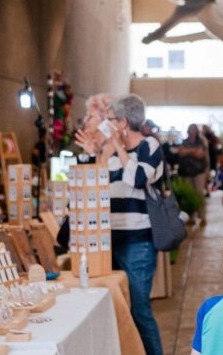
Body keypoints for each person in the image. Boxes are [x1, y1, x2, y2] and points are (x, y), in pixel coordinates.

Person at [82, 94, 164, 355]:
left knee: (139, 310)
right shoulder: (109, 150)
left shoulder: (149, 147)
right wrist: (94, 156)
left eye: (111, 119)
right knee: (117, 310)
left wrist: (118, 148)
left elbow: (138, 178)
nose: (107, 124)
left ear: (124, 122)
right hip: (108, 239)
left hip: (138, 243)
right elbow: (95, 187)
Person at [178, 124, 208, 226]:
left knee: (199, 194)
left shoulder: (201, 142)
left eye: (194, 129)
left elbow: (201, 154)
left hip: (199, 171)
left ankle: (202, 217)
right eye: (190, 129)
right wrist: (193, 150)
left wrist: (188, 151)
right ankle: (191, 217)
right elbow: (181, 152)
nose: (192, 131)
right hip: (186, 172)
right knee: (189, 196)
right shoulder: (184, 141)